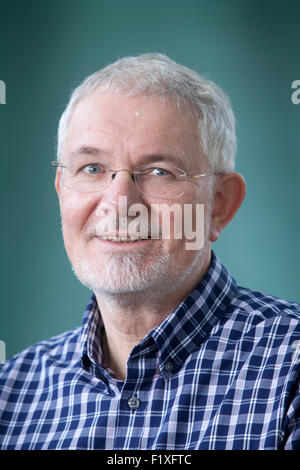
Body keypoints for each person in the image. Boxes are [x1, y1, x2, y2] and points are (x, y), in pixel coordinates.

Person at [0, 54, 299, 450]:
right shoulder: (10, 394)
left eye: (160, 171)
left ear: (221, 204)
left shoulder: (291, 370)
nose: (120, 202)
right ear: (61, 190)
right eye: (92, 168)